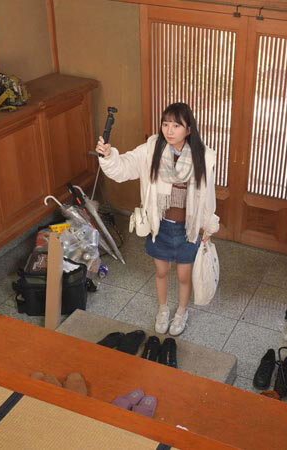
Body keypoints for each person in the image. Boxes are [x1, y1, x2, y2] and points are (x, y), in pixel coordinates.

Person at [95, 102, 219, 336]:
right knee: (161, 272)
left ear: (188, 129)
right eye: (165, 124)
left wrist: (207, 225)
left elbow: (207, 196)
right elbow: (123, 168)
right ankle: (163, 309)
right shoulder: (151, 150)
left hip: (187, 229)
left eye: (176, 125)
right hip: (160, 226)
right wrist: (109, 156)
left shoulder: (203, 157)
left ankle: (181, 311)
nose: (169, 130)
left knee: (184, 276)